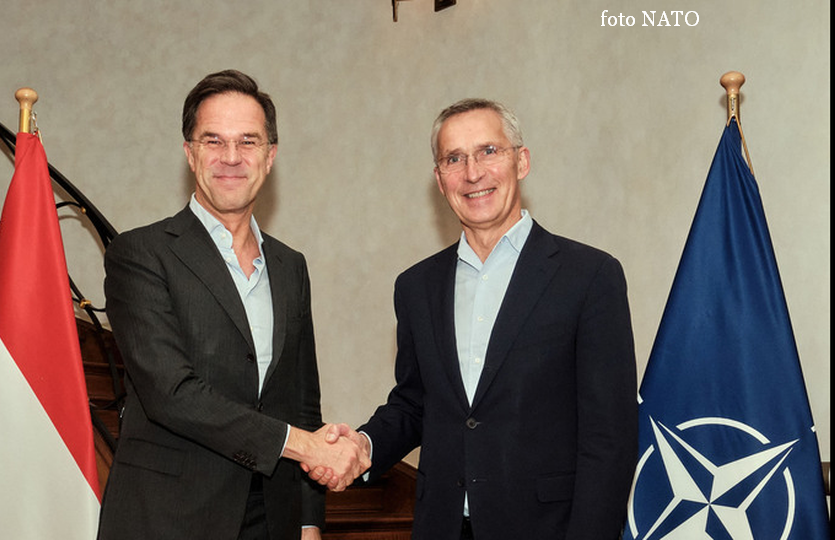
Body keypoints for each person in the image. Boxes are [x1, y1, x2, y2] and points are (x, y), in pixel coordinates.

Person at [312, 98, 638, 539]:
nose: (472, 172)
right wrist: (363, 446)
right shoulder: (416, 287)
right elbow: (414, 403)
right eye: (453, 158)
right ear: (439, 178)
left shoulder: (589, 276)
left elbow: (610, 440)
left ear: (521, 161)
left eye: (488, 151)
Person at [97, 69, 369, 540]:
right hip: (169, 519)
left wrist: (308, 521)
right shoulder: (139, 254)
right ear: (189, 153)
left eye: (248, 141)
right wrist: (305, 446)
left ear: (270, 156)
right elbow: (172, 394)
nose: (230, 157)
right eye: (213, 141)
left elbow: (302, 399)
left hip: (274, 519)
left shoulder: (290, 266)